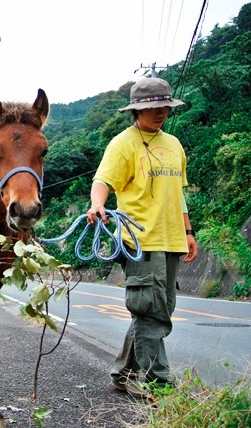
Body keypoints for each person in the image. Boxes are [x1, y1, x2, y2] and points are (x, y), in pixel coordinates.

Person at [86, 77, 198, 398]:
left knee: (158, 310)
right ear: (136, 110)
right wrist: (98, 204)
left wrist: (188, 232)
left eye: (164, 106)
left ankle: (124, 372)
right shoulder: (123, 143)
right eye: (153, 107)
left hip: (172, 239)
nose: (160, 112)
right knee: (149, 309)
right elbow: (102, 181)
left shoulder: (174, 144)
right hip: (139, 241)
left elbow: (179, 195)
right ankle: (157, 382)